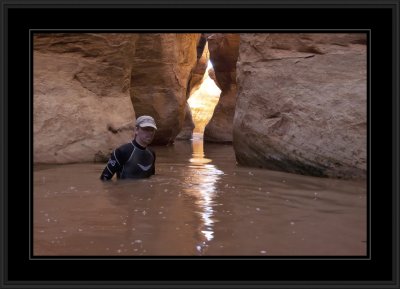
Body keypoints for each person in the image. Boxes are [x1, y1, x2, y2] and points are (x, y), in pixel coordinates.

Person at [100, 115, 157, 180]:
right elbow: (104, 178)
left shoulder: (152, 154)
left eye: (152, 130)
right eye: (146, 129)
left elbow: (151, 179)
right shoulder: (122, 152)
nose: (149, 133)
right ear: (136, 130)